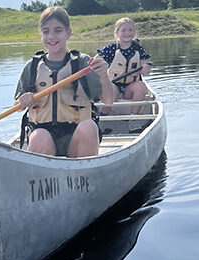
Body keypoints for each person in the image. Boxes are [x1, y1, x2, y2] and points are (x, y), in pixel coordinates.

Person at [14, 6, 113, 158]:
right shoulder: (32, 67)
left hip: (76, 138)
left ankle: (83, 172)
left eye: (58, 30)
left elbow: (108, 100)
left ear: (68, 33)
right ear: (41, 34)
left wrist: (104, 75)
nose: (51, 36)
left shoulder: (83, 63)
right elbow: (17, 105)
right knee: (39, 135)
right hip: (44, 135)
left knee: (89, 127)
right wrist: (23, 100)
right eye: (46, 31)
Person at [97, 17, 152, 130]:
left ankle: (133, 120)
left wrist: (146, 68)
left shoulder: (138, 48)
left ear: (134, 32)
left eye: (130, 30)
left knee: (141, 86)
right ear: (117, 33)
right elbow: (96, 61)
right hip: (114, 84)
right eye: (124, 30)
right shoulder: (111, 48)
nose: (127, 33)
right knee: (110, 90)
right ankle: (101, 120)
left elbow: (145, 66)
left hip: (130, 87)